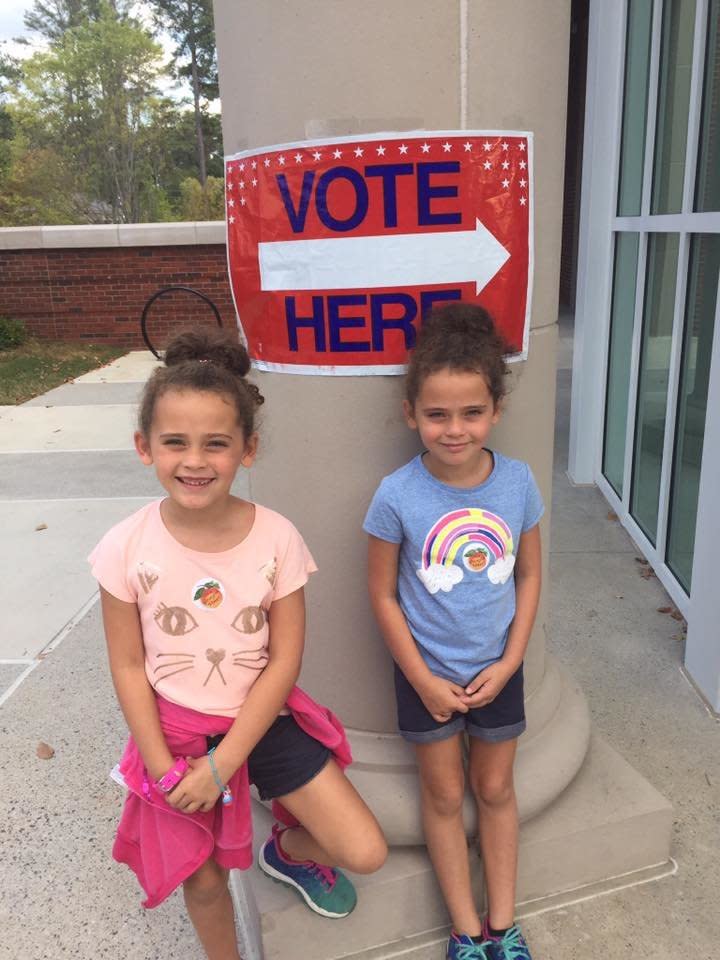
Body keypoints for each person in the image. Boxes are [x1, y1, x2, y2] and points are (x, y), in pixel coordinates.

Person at [90, 328, 386, 960]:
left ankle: (287, 851)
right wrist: (168, 771)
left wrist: (224, 766)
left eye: (216, 444)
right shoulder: (124, 547)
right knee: (203, 877)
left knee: (365, 849)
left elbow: (285, 659)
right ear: (145, 447)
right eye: (175, 442)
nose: (195, 461)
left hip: (261, 718)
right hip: (172, 734)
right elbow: (127, 663)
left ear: (248, 449)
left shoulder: (277, 539)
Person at [364, 303, 542, 960]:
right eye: (437, 413)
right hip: (425, 673)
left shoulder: (518, 482)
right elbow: (381, 595)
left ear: (495, 409)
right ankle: (466, 934)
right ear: (411, 413)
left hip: (501, 664)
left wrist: (511, 660)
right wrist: (423, 679)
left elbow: (527, 576)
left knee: (494, 788)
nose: (454, 428)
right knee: (443, 796)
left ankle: (504, 925)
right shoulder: (396, 495)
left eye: (470, 412)